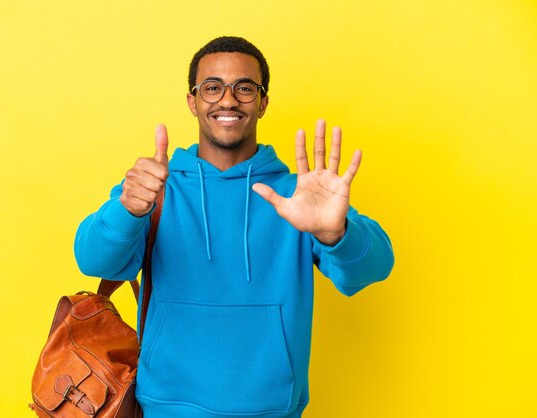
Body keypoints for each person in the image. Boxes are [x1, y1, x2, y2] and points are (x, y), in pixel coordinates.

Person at [74, 36, 394, 418]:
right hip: (163, 409)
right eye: (212, 88)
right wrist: (126, 210)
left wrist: (336, 233)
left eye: (244, 88)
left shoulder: (299, 195)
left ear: (262, 103)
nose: (227, 100)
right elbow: (94, 260)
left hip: (273, 411)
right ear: (193, 101)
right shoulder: (153, 189)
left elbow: (374, 267)